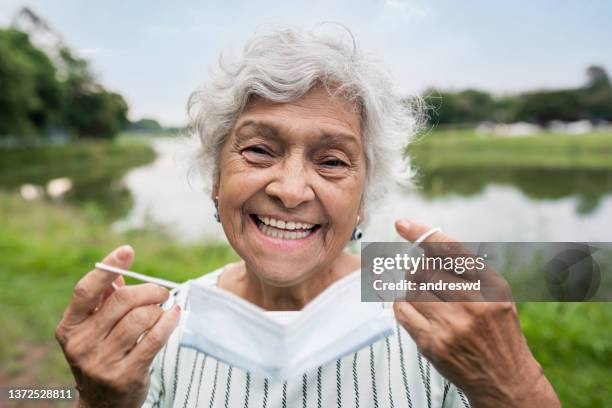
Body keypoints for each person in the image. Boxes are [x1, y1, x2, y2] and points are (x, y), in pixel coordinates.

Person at [55, 25, 560, 407]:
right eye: (258, 150)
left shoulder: (443, 326)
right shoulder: (158, 331)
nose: (291, 190)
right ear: (215, 181)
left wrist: (515, 382)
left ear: (364, 196)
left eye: (333, 161)